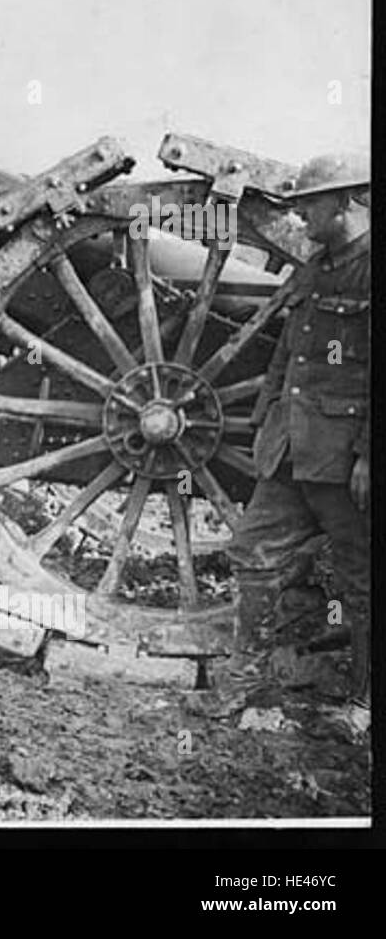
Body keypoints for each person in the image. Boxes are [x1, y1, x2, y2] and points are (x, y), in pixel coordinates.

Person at [215, 152, 371, 743]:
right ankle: (249, 691)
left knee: (361, 584)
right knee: (251, 554)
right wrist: (265, 416)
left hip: (346, 461)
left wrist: (367, 456)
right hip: (293, 449)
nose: (302, 214)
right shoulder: (316, 267)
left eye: (312, 203)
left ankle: (362, 707)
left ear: (350, 202)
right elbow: (290, 350)